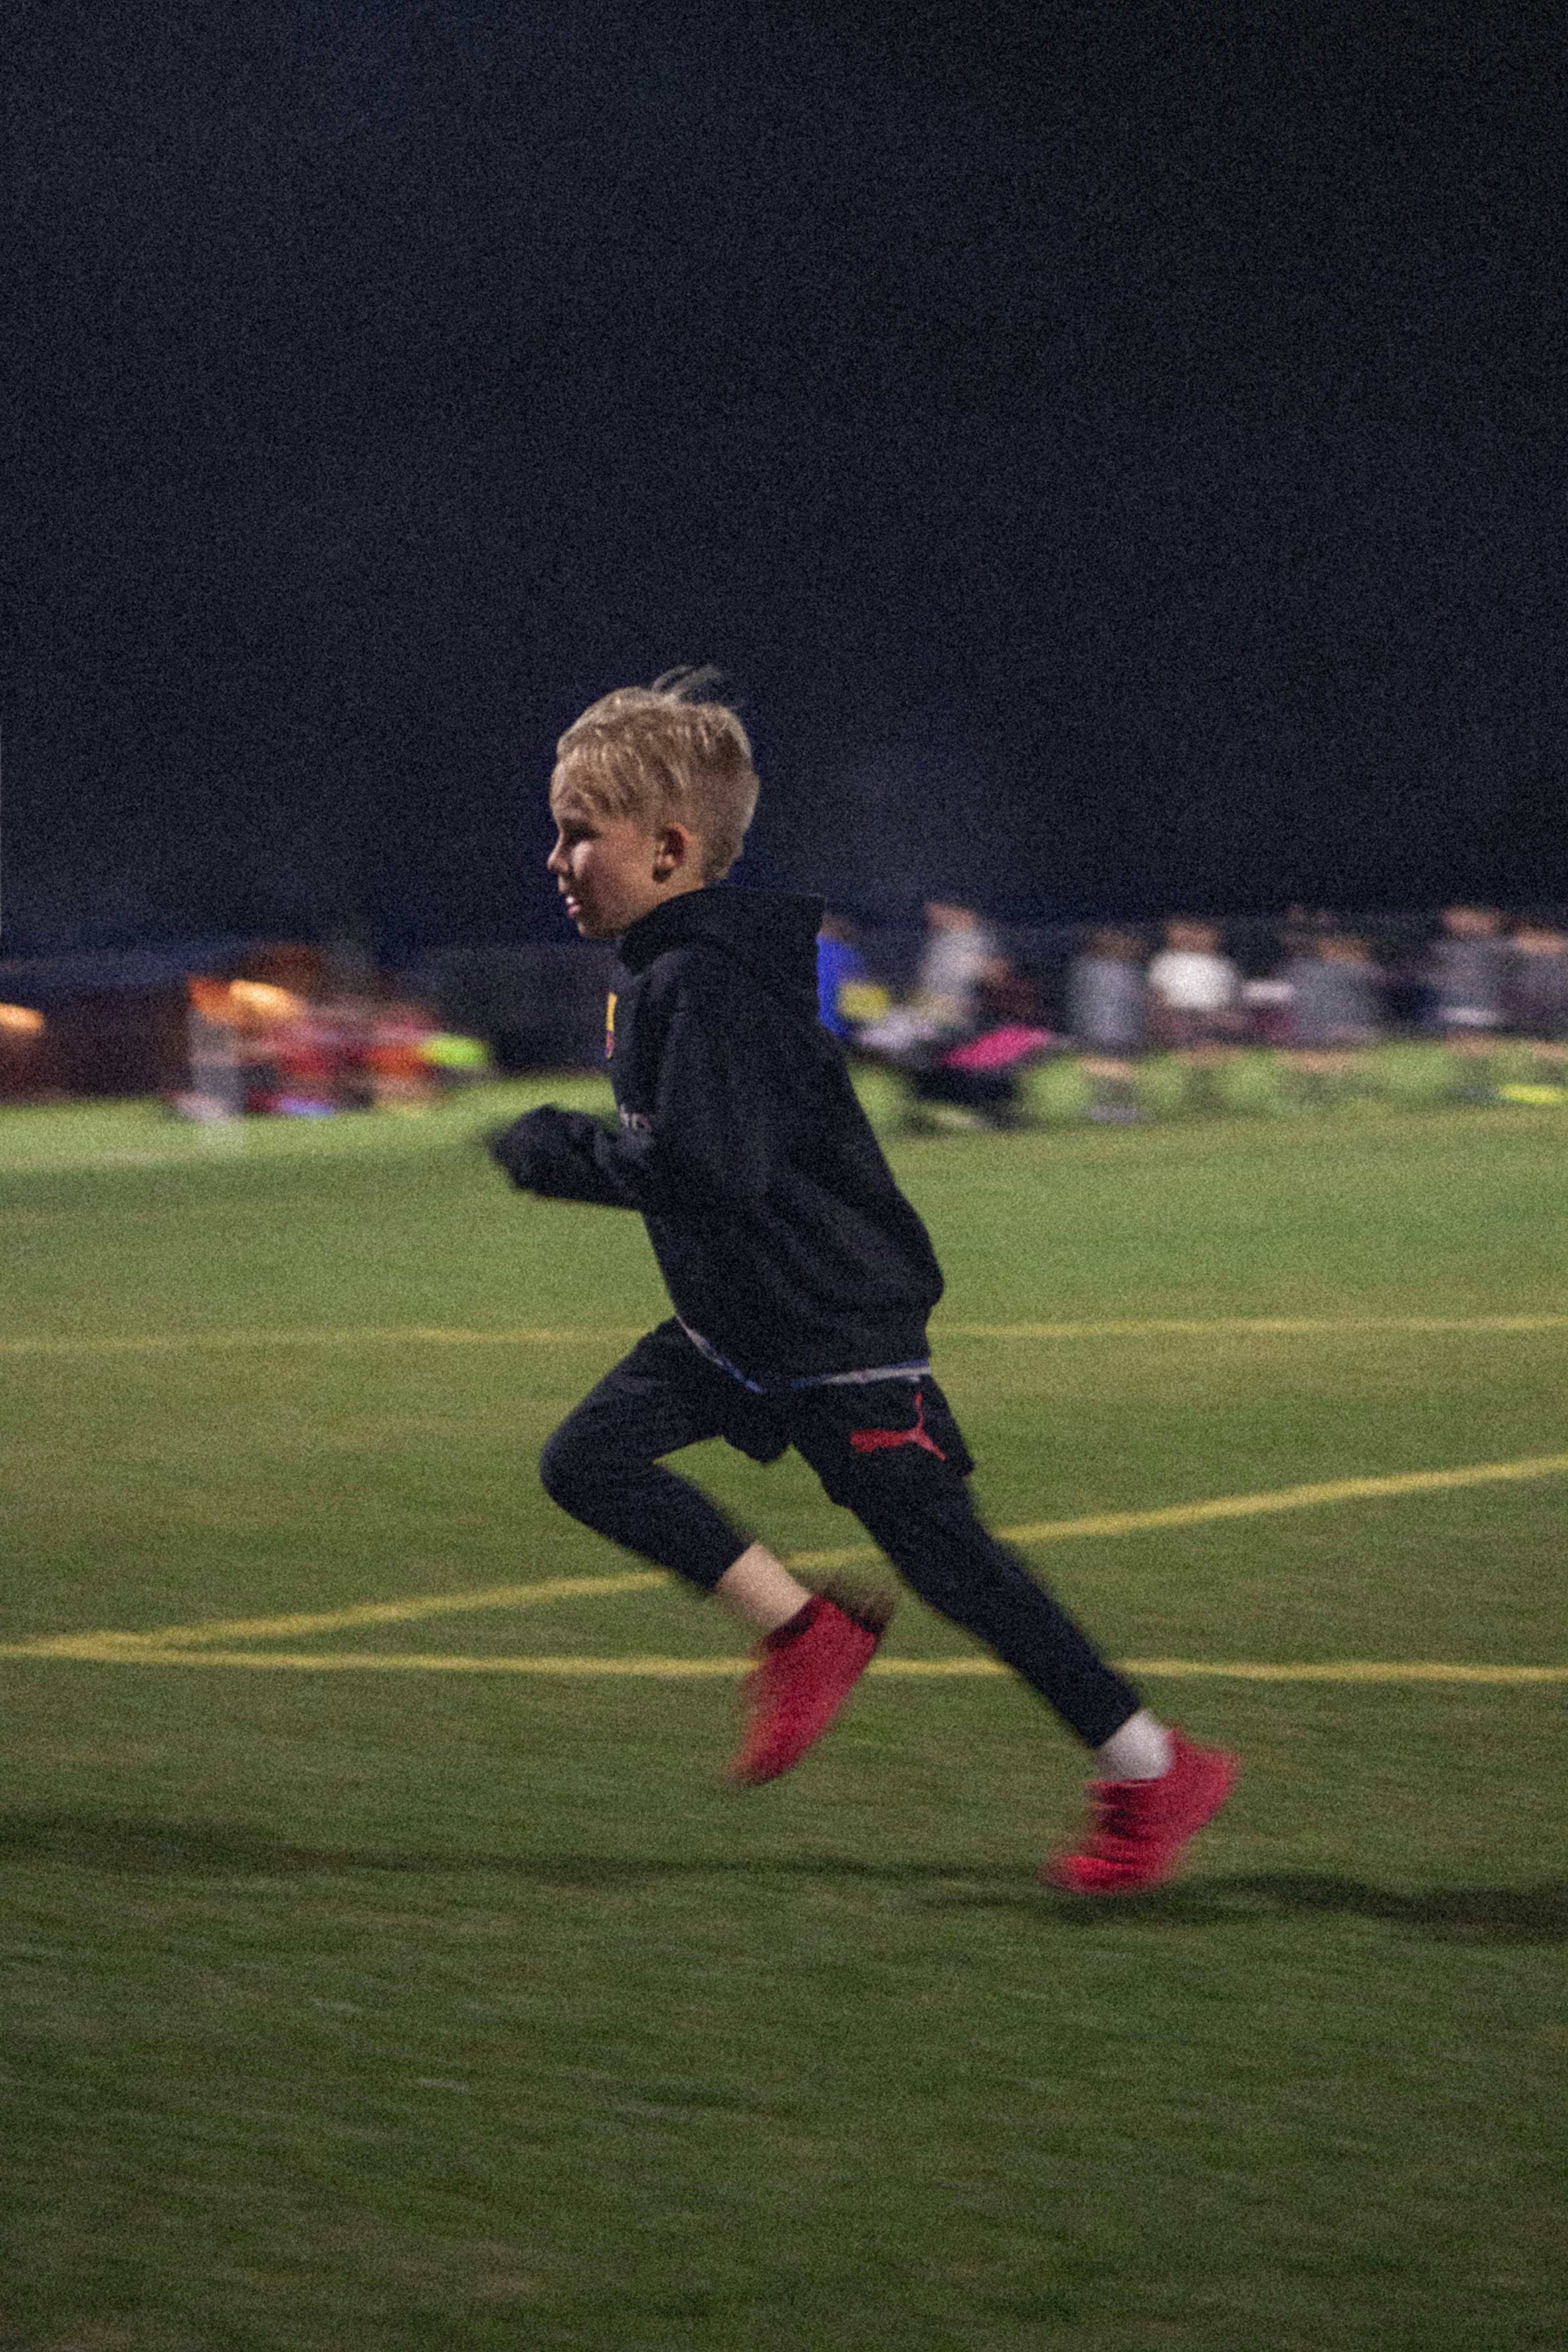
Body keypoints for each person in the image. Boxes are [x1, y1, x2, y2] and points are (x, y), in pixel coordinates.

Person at [489, 673, 1235, 1894]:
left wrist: (557, 1150)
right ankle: (805, 1629)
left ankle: (1155, 1769)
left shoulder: (699, 982)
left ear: (671, 848)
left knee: (948, 1559)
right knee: (588, 1458)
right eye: (557, 827)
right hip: (745, 1324)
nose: (556, 856)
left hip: (829, 1328)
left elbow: (709, 1170)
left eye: (582, 831)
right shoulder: (669, 969)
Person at [1145, 920, 1242, 1047]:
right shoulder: (1164, 961)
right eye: (1184, 930)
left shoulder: (1224, 964)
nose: (1192, 937)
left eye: (1201, 932)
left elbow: (1233, 996)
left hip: (1215, 1015)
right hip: (1176, 1014)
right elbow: (1156, 992)